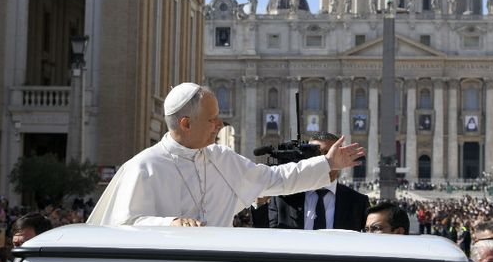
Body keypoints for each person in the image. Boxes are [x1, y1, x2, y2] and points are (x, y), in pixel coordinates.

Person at [87, 83, 364, 227]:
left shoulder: (222, 158)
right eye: (213, 119)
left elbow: (276, 179)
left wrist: (326, 163)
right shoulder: (144, 167)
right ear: (186, 123)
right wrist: (169, 223)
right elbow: (124, 225)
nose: (220, 125)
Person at [261, 132, 370, 231]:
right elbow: (265, 237)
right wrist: (259, 203)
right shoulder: (283, 198)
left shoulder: (358, 202)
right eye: (316, 154)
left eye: (329, 153)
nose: (323, 159)